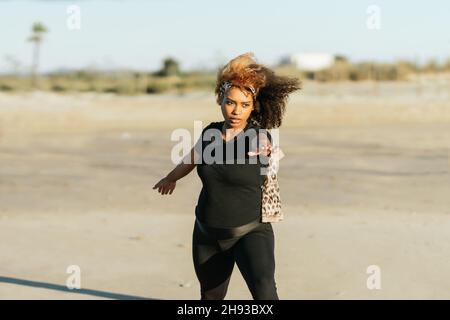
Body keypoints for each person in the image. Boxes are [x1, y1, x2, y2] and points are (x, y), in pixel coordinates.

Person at [153, 52, 301, 300]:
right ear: (220, 99)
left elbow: (269, 148)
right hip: (207, 233)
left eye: (244, 105)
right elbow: (192, 158)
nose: (236, 110)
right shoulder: (210, 133)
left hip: (251, 232)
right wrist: (171, 177)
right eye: (230, 102)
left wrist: (268, 149)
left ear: (254, 106)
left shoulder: (258, 135)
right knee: (210, 299)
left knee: (265, 294)